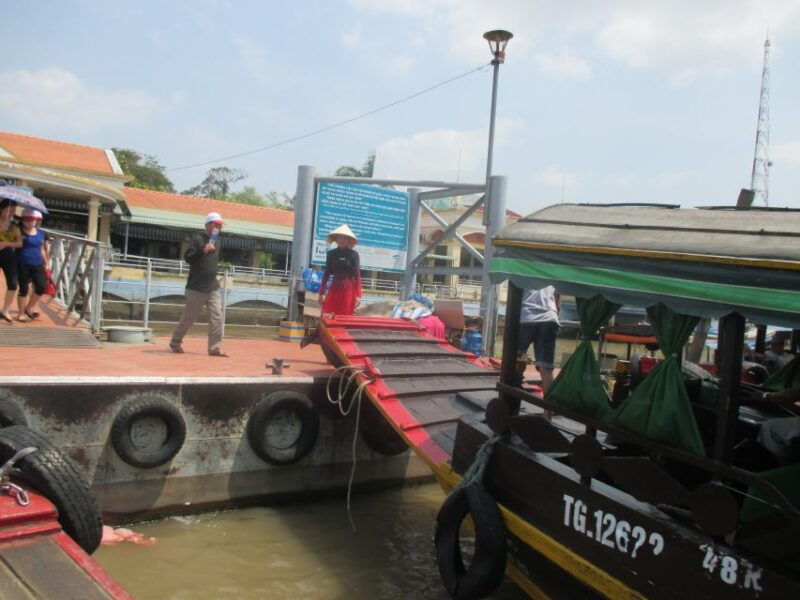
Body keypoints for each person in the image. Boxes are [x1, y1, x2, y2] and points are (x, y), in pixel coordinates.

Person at [170, 212, 227, 357]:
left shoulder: (218, 242)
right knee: (189, 318)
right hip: (196, 287)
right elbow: (188, 257)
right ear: (208, 225)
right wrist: (203, 250)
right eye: (217, 225)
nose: (219, 228)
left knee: (217, 317)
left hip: (212, 286)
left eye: (221, 225)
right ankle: (175, 342)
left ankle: (214, 348)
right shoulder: (198, 239)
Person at [518, 286, 560, 419]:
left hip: (527, 315)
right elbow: (558, 302)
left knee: (516, 358)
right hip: (549, 318)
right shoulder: (554, 270)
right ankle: (547, 414)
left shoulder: (524, 266)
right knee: (546, 370)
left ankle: (512, 402)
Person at [318, 224, 361, 316]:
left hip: (349, 291)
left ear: (348, 240)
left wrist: (358, 296)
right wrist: (321, 293)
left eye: (345, 238)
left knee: (346, 317)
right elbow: (326, 274)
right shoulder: (331, 254)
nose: (342, 240)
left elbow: (357, 276)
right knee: (328, 315)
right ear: (336, 239)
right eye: (339, 237)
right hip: (334, 289)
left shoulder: (354, 254)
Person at [15, 209, 49, 322]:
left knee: (41, 286)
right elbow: (13, 245)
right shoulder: (18, 231)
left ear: (36, 220)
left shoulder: (40, 233)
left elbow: (42, 249)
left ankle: (29, 307)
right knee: (23, 288)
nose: (28, 222)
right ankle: (20, 313)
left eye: (31, 220)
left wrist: (46, 263)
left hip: (37, 263)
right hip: (22, 263)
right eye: (26, 219)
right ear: (22, 220)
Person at [0, 199, 21, 323]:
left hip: (8, 255)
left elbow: (20, 243)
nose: (11, 212)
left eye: (13, 210)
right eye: (8, 209)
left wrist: (6, 243)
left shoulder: (15, 224)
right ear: (1, 209)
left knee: (13, 283)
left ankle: (5, 310)